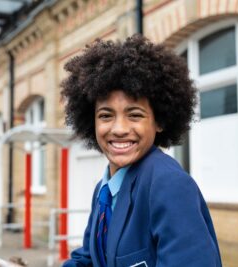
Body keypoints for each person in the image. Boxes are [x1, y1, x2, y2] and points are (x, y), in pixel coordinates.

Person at [61, 34, 222, 267]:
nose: (119, 129)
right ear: (91, 121)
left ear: (159, 121)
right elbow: (89, 259)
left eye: (135, 115)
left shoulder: (169, 184)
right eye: (106, 115)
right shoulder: (104, 189)